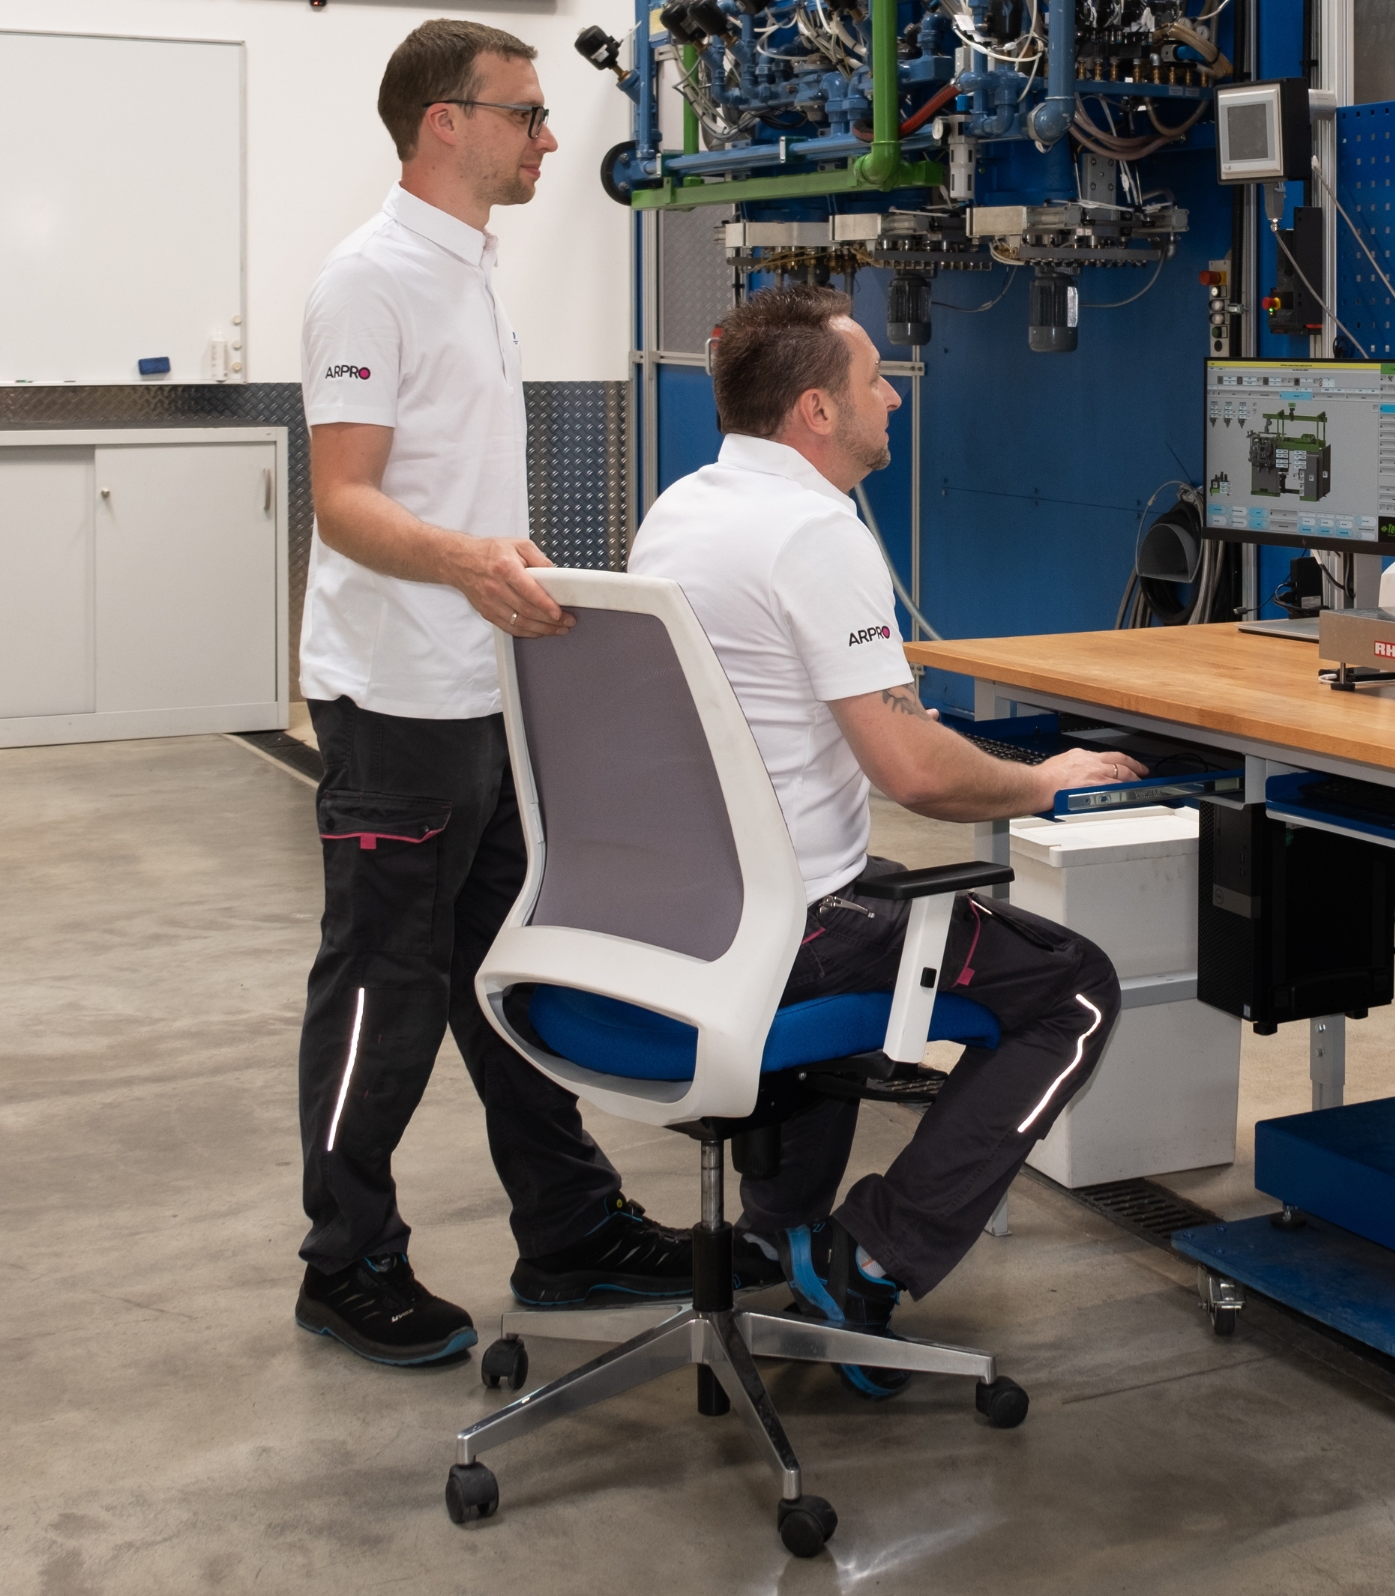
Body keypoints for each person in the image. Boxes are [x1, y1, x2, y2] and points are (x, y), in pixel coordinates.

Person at [628, 286, 1142, 1396]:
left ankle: (780, 1239)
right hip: (784, 933)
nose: (895, 395)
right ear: (817, 411)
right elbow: (911, 769)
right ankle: (870, 1255)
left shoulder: (684, 506)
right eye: (874, 380)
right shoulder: (815, 532)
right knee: (1074, 987)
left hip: (671, 919)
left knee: (884, 896)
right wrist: (1043, 784)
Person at [293, 19, 692, 1370]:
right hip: (396, 700)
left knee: (505, 972)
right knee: (382, 988)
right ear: (444, 123)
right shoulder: (371, 280)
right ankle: (343, 1261)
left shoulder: (472, 275)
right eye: (525, 114)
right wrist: (466, 561)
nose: (549, 138)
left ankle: (569, 1225)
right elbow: (345, 504)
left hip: (482, 693)